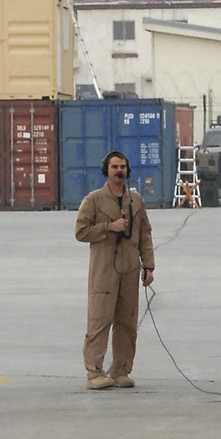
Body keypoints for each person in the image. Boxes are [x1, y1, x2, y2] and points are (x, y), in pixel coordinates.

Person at [74, 150, 155, 389]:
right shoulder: (94, 200)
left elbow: (145, 234)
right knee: (100, 320)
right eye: (114, 167)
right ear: (106, 171)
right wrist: (110, 227)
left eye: (122, 167)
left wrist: (148, 265)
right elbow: (81, 232)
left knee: (127, 322)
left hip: (130, 268)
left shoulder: (136, 201)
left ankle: (121, 370)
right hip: (104, 269)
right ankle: (94, 372)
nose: (119, 171)